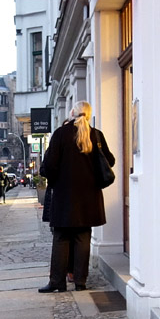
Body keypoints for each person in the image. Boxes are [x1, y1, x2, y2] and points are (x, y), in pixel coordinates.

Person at [37, 101, 114, 293]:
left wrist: (54, 178)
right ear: (88, 115)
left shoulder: (61, 134)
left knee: (61, 238)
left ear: (72, 113)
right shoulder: (96, 135)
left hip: (64, 197)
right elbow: (109, 160)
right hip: (89, 197)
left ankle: (57, 282)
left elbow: (50, 166)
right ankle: (80, 282)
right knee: (83, 238)